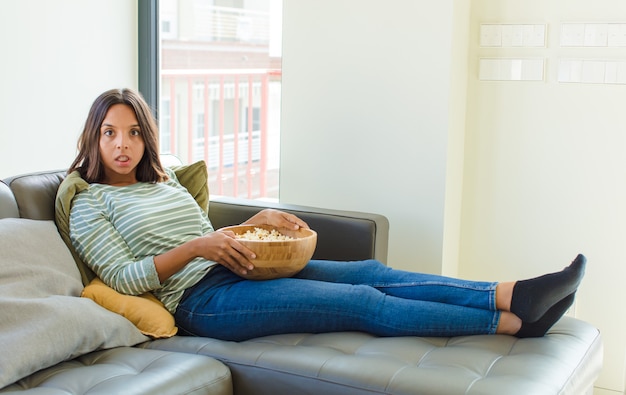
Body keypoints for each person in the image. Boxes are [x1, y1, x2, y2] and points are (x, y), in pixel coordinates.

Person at [64, 88, 586, 341]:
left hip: (238, 265)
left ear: (146, 136)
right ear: (95, 136)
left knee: (371, 273)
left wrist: (257, 220)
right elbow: (125, 279)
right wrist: (200, 247)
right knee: (361, 303)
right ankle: (513, 323)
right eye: (110, 132)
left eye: (133, 131)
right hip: (202, 301)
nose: (123, 143)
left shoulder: (164, 180)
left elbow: (209, 231)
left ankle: (514, 292)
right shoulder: (89, 201)